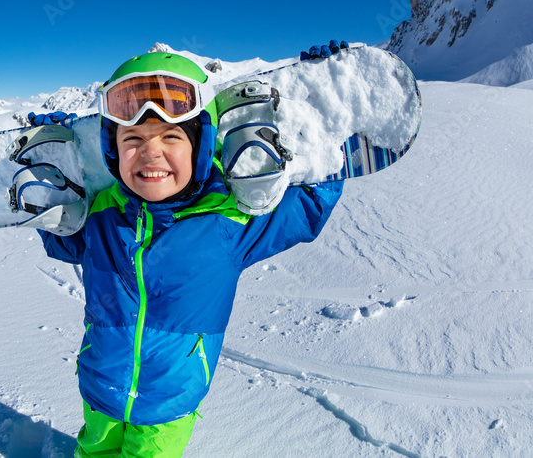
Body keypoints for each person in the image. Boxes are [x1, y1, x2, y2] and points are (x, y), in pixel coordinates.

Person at [33, 48, 344, 457]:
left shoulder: (228, 221)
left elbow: (305, 206)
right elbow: (61, 237)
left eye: (171, 136)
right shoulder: (101, 213)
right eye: (133, 139)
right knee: (92, 452)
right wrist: (54, 170)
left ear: (201, 145)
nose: (150, 152)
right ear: (112, 150)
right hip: (100, 385)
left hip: (170, 402)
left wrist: (323, 113)